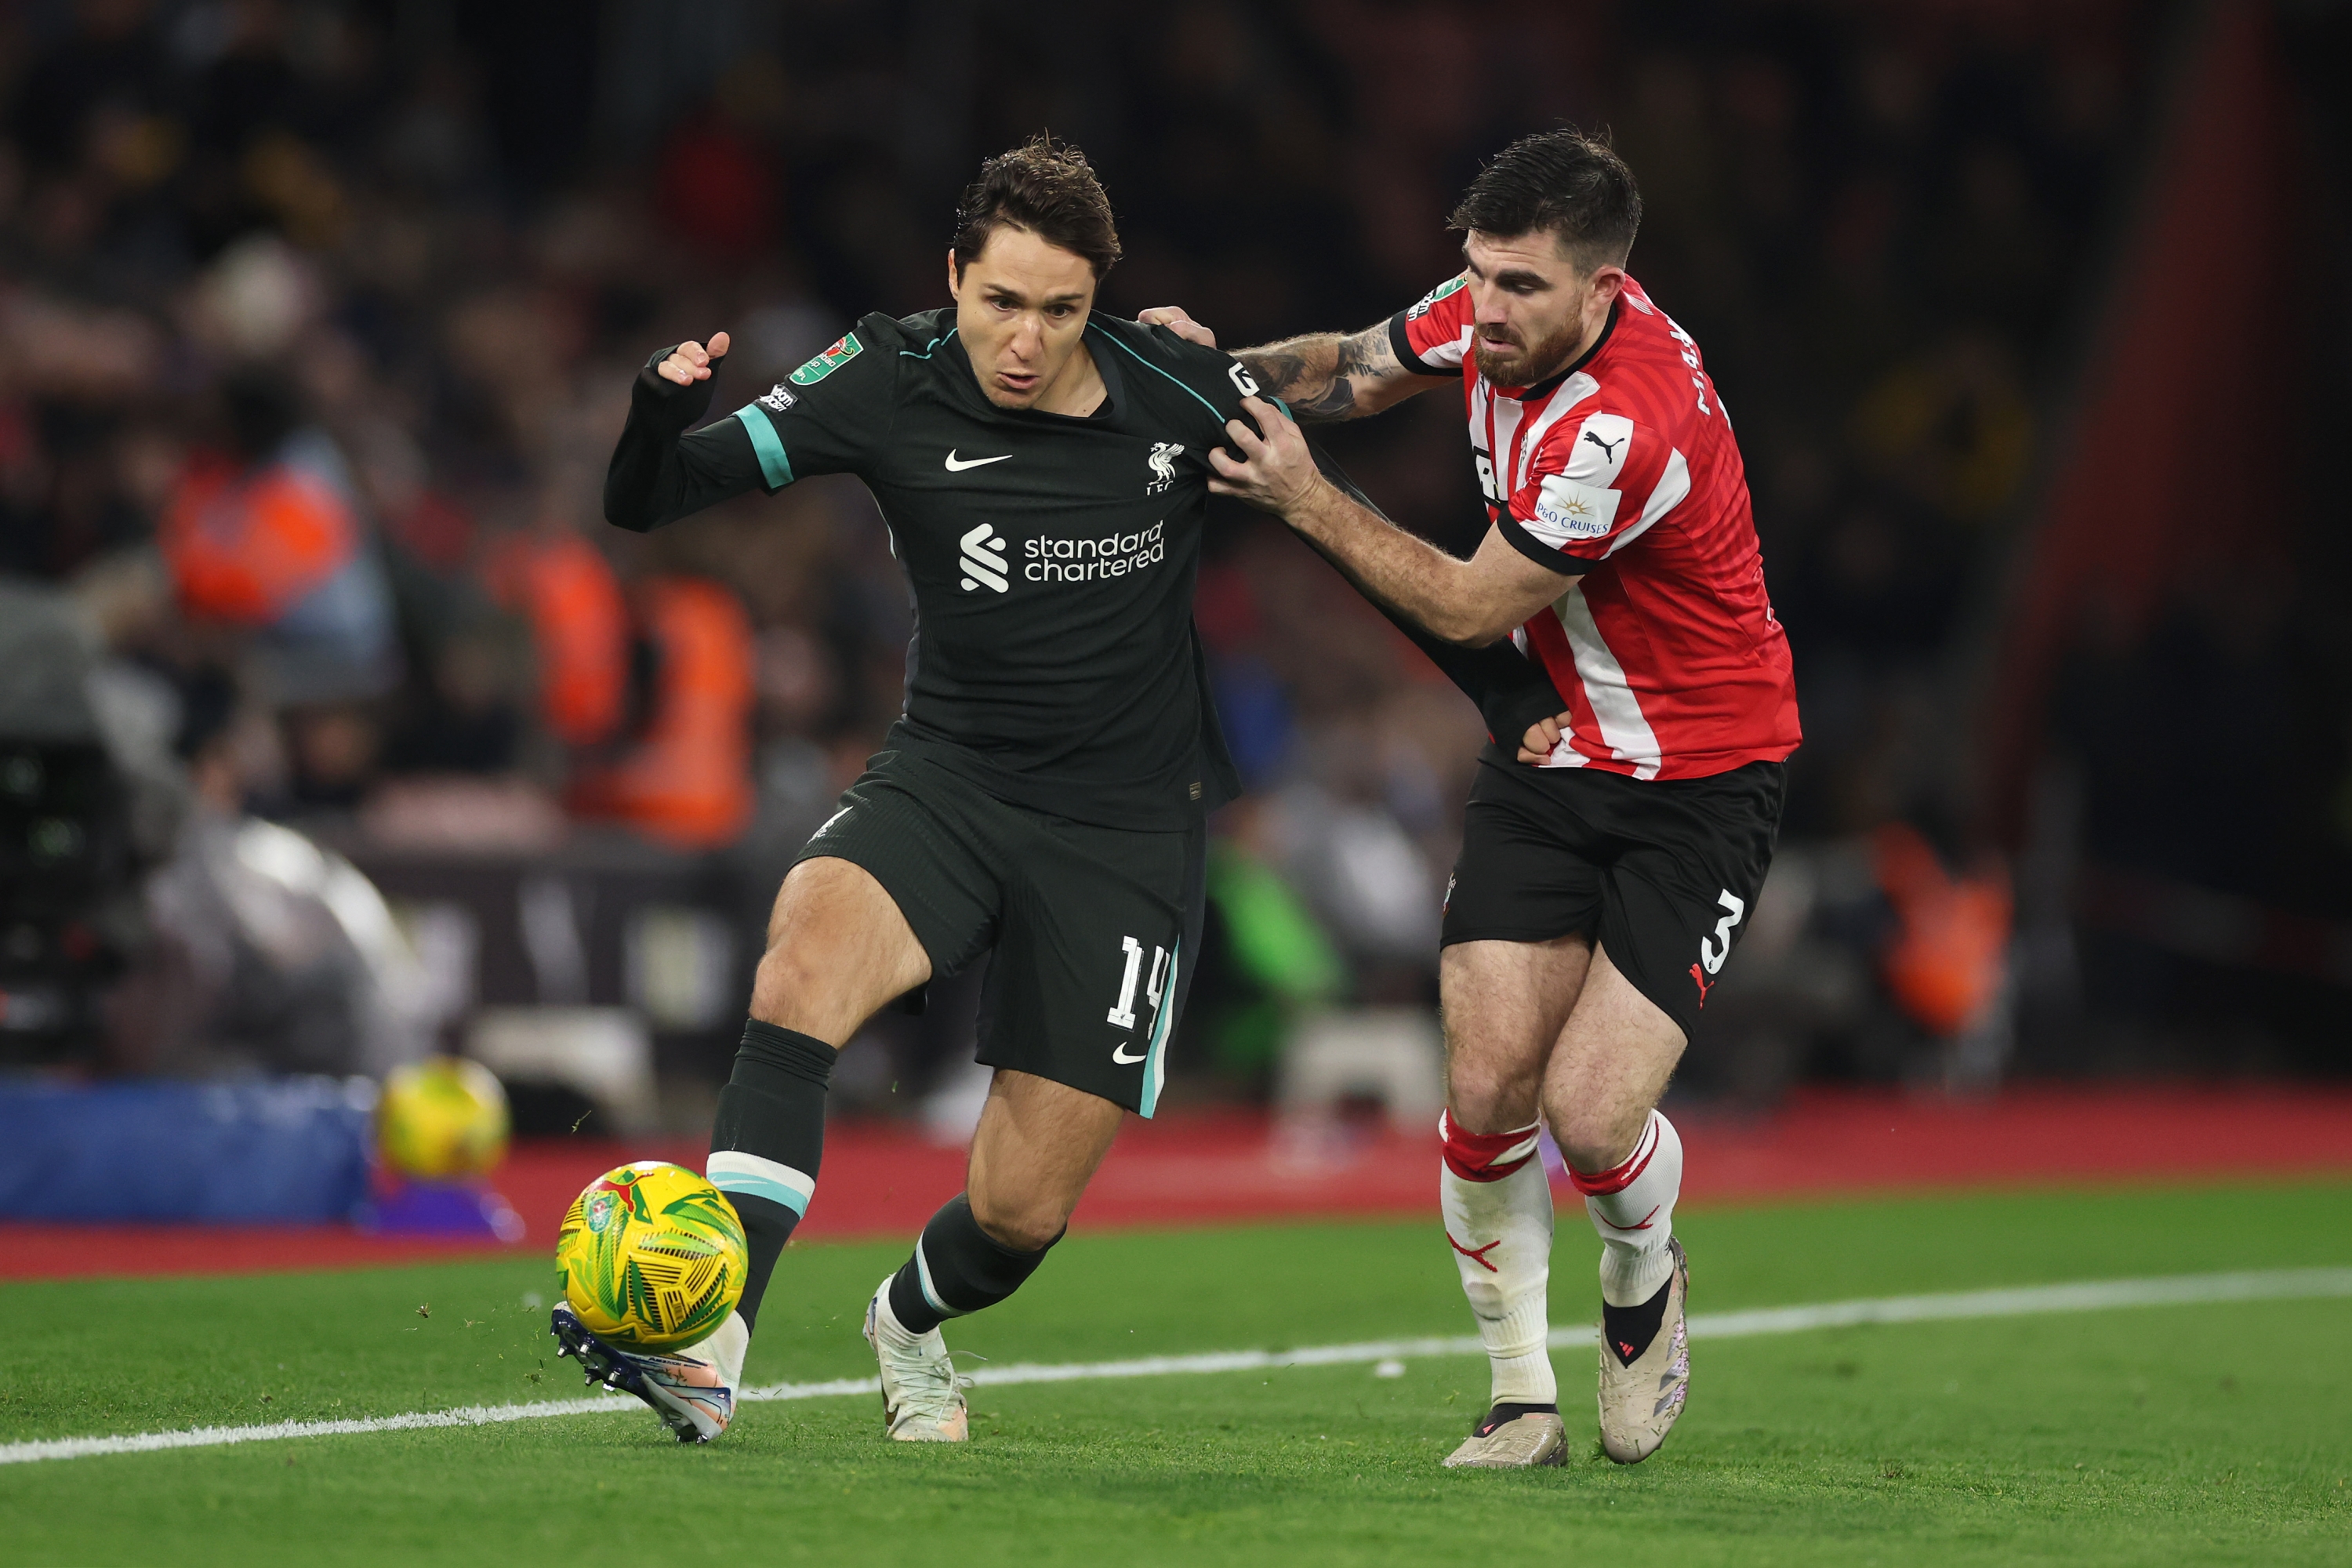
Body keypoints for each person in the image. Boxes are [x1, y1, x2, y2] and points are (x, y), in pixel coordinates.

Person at [553, 134, 1285, 1446]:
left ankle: (908, 1319)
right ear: (953, 275)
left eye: (1060, 311)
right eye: (1000, 300)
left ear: (1096, 305)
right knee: (801, 962)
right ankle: (713, 1351)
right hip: (950, 776)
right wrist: (656, 409)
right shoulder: (886, 375)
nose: (1025, 338)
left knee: (1018, 1213)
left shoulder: (1176, 390)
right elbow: (651, 497)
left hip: (1124, 831)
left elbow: (1340, 425)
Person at [1149, 127, 1800, 1468]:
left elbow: (1463, 601)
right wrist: (1207, 371)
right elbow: (1352, 365)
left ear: (1604, 292)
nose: (1485, 313)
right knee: (1490, 1080)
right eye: (1478, 276)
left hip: (1704, 775)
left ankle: (1644, 1271)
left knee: (1596, 1116)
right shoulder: (1490, 310)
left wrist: (1303, 498)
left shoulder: (1623, 424)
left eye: (1520, 289)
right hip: (1556, 752)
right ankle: (1519, 1397)